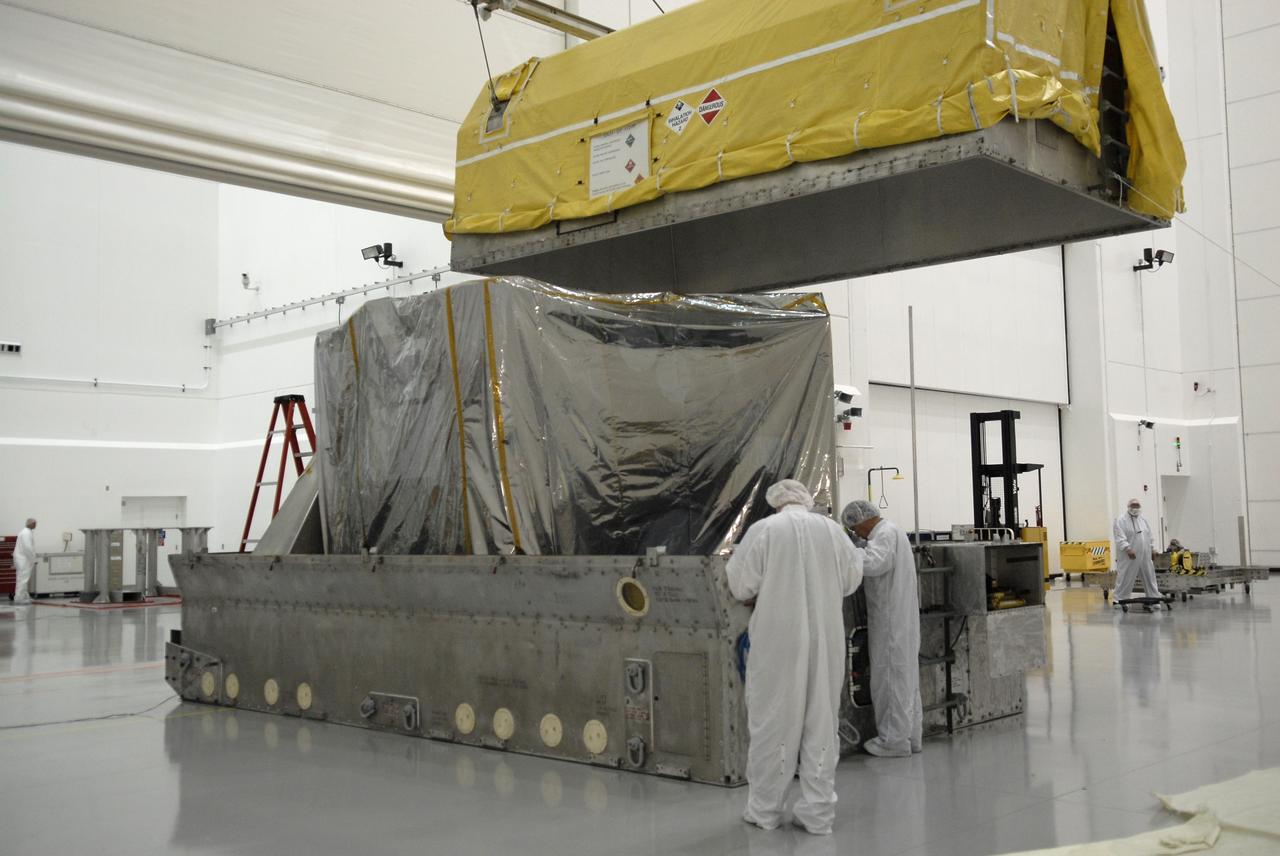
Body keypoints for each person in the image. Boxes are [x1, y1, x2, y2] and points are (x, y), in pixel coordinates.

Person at [726, 479, 863, 835]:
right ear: (805, 500)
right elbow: (851, 580)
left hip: (778, 640)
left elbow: (740, 585)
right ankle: (818, 814)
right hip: (826, 638)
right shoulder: (832, 531)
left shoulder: (765, 530)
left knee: (773, 721)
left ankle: (765, 810)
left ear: (777, 503)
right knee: (821, 721)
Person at [840, 500, 922, 758]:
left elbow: (875, 564)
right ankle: (910, 736)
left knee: (889, 679)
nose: (857, 534)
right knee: (905, 680)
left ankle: (893, 741)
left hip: (890, 621)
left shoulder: (884, 534)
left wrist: (846, 553)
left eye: (854, 529)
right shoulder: (891, 532)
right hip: (898, 617)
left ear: (863, 520)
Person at [1114, 499, 1161, 602]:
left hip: (1145, 554)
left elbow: (1149, 535)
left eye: (1137, 505)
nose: (1135, 508)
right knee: (1126, 577)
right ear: (1128, 506)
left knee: (1150, 577)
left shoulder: (1143, 519)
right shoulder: (1121, 520)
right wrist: (1127, 548)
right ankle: (1119, 599)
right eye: (1133, 505)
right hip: (1130, 556)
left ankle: (1154, 597)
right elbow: (1119, 536)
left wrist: (1152, 549)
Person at [13, 518, 37, 605]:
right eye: (34, 523)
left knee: (23, 578)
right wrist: (33, 558)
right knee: (22, 579)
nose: (35, 525)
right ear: (30, 524)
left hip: (22, 558)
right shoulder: (26, 533)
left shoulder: (26, 532)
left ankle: (23, 596)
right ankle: (19, 598)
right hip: (23, 559)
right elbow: (27, 548)